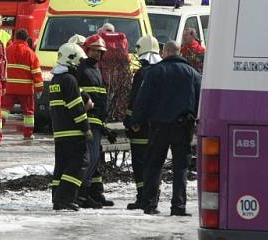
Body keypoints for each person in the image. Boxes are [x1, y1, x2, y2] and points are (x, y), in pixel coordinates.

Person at [130, 40, 201, 216]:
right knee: (180, 167)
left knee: (154, 165)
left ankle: (150, 204)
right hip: (183, 127)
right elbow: (201, 100)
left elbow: (143, 98)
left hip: (159, 126)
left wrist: (136, 120)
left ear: (166, 52)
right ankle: (178, 206)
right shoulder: (193, 73)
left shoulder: (155, 72)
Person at [48, 42, 91, 211]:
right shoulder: (70, 80)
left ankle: (57, 198)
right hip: (73, 131)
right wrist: (85, 128)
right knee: (80, 162)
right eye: (79, 61)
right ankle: (64, 199)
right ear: (71, 60)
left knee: (62, 166)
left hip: (60, 132)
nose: (80, 65)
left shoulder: (56, 80)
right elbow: (76, 108)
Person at [124, 34, 162, 210]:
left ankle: (142, 197)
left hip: (141, 128)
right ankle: (153, 196)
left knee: (140, 163)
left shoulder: (142, 73)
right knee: (154, 163)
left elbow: (136, 100)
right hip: (158, 127)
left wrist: (131, 120)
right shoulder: (162, 71)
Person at [77, 34, 113, 208]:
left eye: (100, 51)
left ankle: (92, 193)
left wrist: (104, 124)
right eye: (95, 50)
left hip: (97, 121)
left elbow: (100, 98)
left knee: (95, 159)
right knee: (89, 159)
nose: (98, 54)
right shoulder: (82, 68)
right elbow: (77, 91)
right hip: (88, 121)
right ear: (87, 50)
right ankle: (81, 195)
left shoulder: (97, 69)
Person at [3, 29, 43, 140]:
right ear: (26, 39)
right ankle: (28, 134)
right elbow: (36, 73)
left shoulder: (7, 50)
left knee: (4, 110)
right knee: (28, 113)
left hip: (9, 87)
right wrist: (39, 88)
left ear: (15, 38)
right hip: (26, 89)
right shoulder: (30, 53)